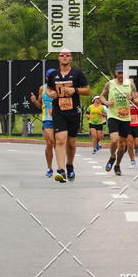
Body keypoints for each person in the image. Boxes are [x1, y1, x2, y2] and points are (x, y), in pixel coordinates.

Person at [46, 53, 90, 183]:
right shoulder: (54, 75)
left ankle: (69, 165)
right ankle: (61, 170)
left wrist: (75, 90)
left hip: (73, 111)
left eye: (67, 55)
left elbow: (87, 90)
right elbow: (48, 88)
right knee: (60, 139)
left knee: (71, 143)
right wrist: (51, 93)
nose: (64, 57)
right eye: (61, 55)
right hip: (58, 111)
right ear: (58, 58)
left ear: (71, 58)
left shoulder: (77, 74)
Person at [100, 63, 138, 176]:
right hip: (113, 115)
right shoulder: (110, 84)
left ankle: (117, 165)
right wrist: (106, 102)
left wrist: (131, 98)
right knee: (114, 140)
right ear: (115, 73)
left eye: (123, 73)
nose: (121, 75)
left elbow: (137, 101)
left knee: (122, 146)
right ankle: (112, 156)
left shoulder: (130, 85)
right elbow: (102, 96)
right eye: (119, 73)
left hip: (125, 117)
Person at [30, 67, 57, 177]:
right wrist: (34, 101)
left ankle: (61, 167)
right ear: (46, 78)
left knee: (58, 143)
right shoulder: (42, 88)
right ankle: (49, 168)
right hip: (47, 119)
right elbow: (39, 105)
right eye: (50, 76)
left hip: (60, 119)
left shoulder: (61, 88)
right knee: (50, 142)